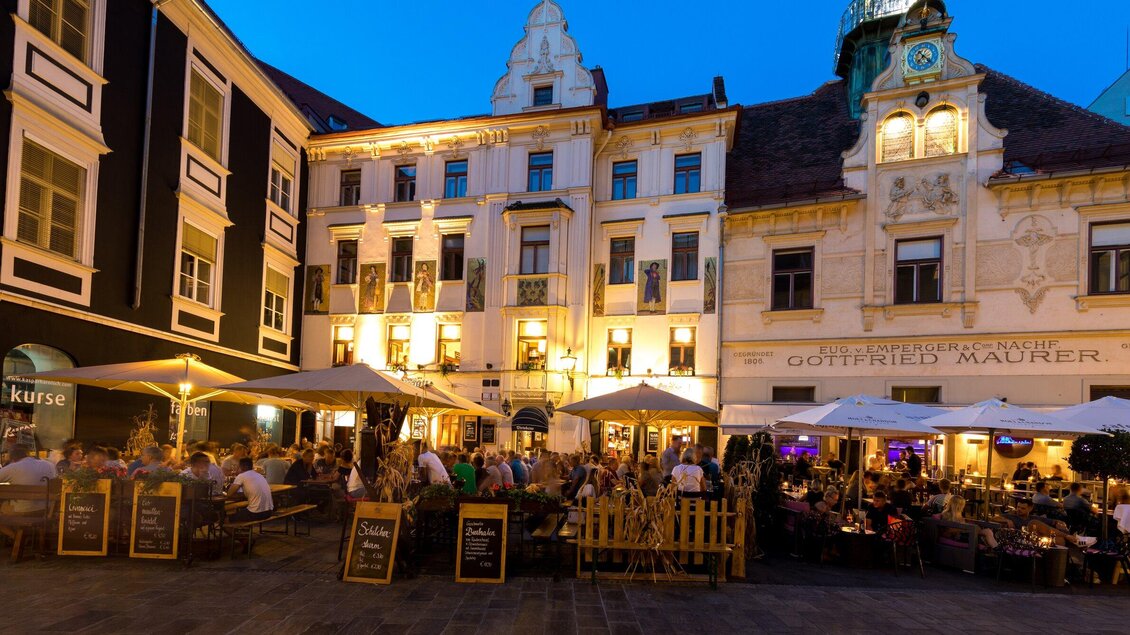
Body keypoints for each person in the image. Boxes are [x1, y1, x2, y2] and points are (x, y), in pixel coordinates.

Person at [0, 445, 56, 514]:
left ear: (11, 457)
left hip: (23, 510)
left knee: (4, 506)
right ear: (28, 454)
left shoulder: (13, 467)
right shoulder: (49, 465)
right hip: (47, 510)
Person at [226, 457, 274, 522]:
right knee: (240, 511)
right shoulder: (259, 475)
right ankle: (242, 530)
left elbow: (229, 494)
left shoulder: (241, 476)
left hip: (256, 513)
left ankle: (235, 530)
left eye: (238, 467)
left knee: (226, 519)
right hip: (269, 512)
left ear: (243, 467)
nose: (237, 469)